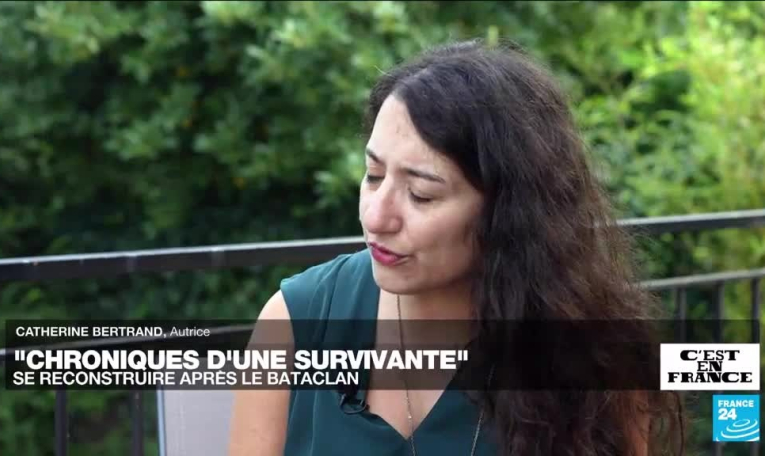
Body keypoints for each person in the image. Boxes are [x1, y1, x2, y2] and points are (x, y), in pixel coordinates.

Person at [228, 39, 685, 456]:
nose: (376, 217)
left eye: (421, 194)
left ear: (508, 212)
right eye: (373, 175)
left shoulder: (594, 352)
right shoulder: (297, 319)